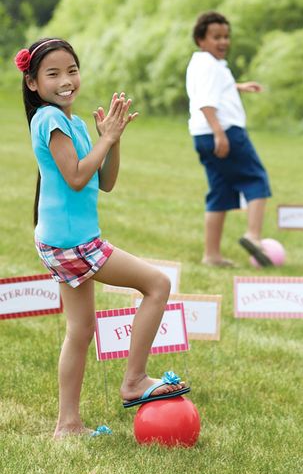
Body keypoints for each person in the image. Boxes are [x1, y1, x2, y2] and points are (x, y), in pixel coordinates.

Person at [15, 38, 189, 438]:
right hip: (74, 243)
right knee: (158, 285)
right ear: (33, 83)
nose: (65, 80)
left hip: (63, 240)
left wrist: (115, 138)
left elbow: (104, 181)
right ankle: (134, 381)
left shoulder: (72, 123)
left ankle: (68, 425)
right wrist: (105, 138)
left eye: (71, 71)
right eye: (53, 73)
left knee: (80, 331)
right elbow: (76, 177)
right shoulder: (49, 120)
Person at [186, 11, 272, 267]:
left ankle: (211, 255)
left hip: (201, 134)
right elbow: (205, 102)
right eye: (216, 37)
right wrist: (220, 134)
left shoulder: (202, 63)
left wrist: (238, 86)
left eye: (226, 36)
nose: (223, 42)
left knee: (220, 191)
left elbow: (211, 90)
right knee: (256, 179)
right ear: (201, 39)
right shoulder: (211, 66)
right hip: (224, 131)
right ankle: (253, 236)